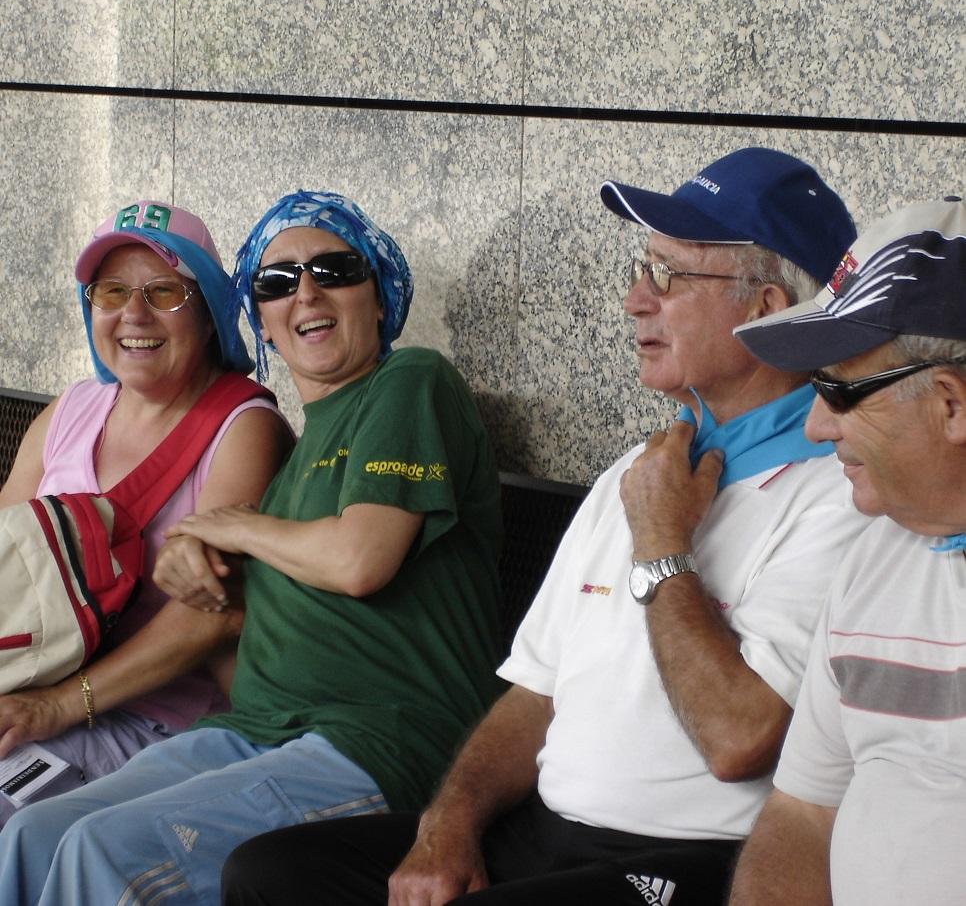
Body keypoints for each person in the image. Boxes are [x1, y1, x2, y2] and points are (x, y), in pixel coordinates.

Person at [219, 148, 871, 906]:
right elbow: (535, 695)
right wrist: (447, 826)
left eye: (667, 275)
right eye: (639, 267)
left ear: (764, 308)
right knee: (270, 875)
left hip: (696, 858)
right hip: (543, 832)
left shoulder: (840, 490)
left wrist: (663, 545)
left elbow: (740, 740)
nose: (634, 299)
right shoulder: (644, 467)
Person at [0, 189, 503, 905]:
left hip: (379, 742)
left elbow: (360, 560)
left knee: (99, 853)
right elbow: (226, 602)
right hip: (255, 730)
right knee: (34, 833)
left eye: (334, 270)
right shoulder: (296, 465)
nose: (305, 295)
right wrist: (192, 555)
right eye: (276, 282)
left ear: (381, 293)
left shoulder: (409, 381)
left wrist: (224, 526)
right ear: (261, 322)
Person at [0, 199, 291, 823]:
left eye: (163, 292)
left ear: (210, 314)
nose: (134, 314)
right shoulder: (71, 410)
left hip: (155, 727)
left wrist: (55, 705)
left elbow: (209, 620)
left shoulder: (244, 430)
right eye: (112, 291)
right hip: (29, 697)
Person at [726, 196, 966, 906]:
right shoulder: (878, 554)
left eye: (836, 388)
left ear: (951, 404)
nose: (814, 425)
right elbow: (804, 812)